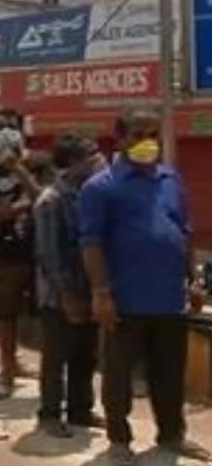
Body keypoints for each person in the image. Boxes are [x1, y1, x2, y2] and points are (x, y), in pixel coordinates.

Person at [79, 108, 211, 465]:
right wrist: (101, 293)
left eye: (152, 134)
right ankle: (119, 443)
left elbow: (183, 232)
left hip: (169, 299)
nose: (146, 142)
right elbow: (91, 244)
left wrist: (193, 280)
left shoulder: (171, 179)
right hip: (124, 300)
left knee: (169, 375)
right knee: (119, 377)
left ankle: (171, 435)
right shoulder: (101, 187)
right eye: (137, 134)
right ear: (120, 139)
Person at [0, 108, 51, 400]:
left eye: (10, 127)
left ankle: (50, 376)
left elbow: (44, 200)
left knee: (46, 314)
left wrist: (18, 168)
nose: (4, 132)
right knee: (5, 314)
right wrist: (20, 207)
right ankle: (7, 368)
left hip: (40, 252)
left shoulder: (40, 162)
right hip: (4, 253)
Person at [33, 132, 107, 438]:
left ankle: (80, 409)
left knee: (84, 353)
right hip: (60, 294)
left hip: (87, 286)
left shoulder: (88, 194)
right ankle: (50, 413)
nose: (99, 159)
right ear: (75, 161)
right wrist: (66, 294)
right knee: (56, 355)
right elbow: (50, 254)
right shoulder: (51, 199)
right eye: (92, 154)